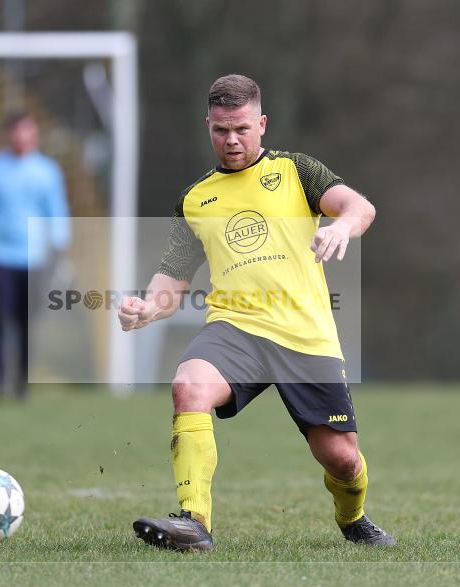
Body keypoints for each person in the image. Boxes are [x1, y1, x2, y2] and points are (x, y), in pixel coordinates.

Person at [118, 74, 394, 550]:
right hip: (236, 329)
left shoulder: (296, 171)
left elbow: (359, 206)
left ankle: (354, 518)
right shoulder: (195, 200)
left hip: (305, 335)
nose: (232, 140)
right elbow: (173, 278)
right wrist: (145, 308)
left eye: (242, 129)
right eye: (222, 130)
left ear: (261, 124)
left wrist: (342, 227)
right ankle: (193, 522)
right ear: (208, 126)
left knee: (343, 461)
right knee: (188, 386)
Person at [0, 111, 70, 399]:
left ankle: (21, 383)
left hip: (33, 259)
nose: (21, 138)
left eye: (27, 131)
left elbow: (56, 215)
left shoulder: (47, 172)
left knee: (25, 322)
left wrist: (59, 255)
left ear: (34, 135)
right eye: (16, 132)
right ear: (9, 134)